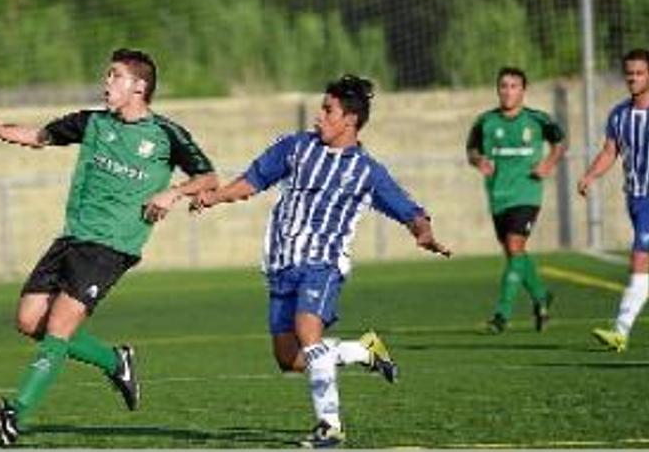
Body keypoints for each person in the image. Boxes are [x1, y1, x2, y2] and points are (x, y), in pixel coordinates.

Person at [0, 48, 218, 446]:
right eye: (107, 75)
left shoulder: (166, 135)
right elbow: (36, 137)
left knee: (58, 329)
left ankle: (15, 414)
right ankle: (114, 361)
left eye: (114, 76)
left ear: (140, 86)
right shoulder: (91, 123)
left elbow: (210, 178)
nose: (106, 82)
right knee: (29, 320)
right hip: (71, 237)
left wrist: (173, 192)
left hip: (111, 246)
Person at [192, 74, 450, 448]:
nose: (318, 117)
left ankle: (330, 426)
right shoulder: (295, 147)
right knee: (289, 358)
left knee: (308, 332)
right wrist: (216, 197)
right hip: (282, 265)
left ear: (350, 120)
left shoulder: (366, 171)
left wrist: (422, 231)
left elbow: (407, 207)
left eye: (327, 111)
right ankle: (364, 351)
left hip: (322, 265)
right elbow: (254, 179)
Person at [466, 67, 566, 334]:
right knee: (514, 253)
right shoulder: (485, 122)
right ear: (498, 90)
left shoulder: (537, 120)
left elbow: (560, 142)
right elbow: (471, 150)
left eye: (513, 86)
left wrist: (548, 163)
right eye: (503, 86)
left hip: (527, 193)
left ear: (523, 90)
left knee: (514, 244)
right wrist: (479, 161)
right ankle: (542, 296)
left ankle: (502, 315)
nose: (508, 91)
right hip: (498, 195)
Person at [579, 48, 649, 352]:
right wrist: (591, 175)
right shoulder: (619, 115)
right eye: (629, 73)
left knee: (640, 259)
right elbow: (610, 151)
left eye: (639, 73)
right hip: (635, 198)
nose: (633, 78)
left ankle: (620, 331)